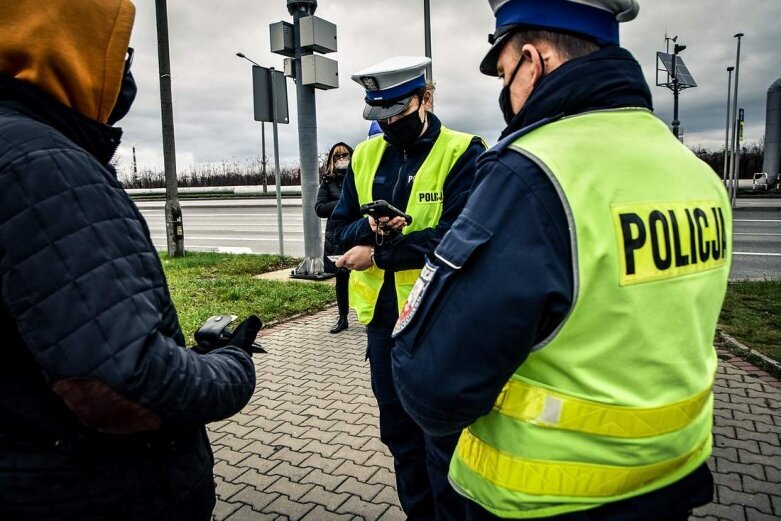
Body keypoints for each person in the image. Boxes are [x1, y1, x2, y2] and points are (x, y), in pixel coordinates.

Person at [392, 1, 732, 520]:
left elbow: (435, 386)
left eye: (505, 74)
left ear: (536, 60)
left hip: (545, 496)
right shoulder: (696, 174)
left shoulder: (531, 172)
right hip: (671, 480)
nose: (505, 94)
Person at [0, 1, 258, 519]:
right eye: (120, 50)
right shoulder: (42, 162)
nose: (125, 68)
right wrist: (233, 366)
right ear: (70, 48)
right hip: (97, 490)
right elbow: (122, 385)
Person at [332, 56, 486, 520]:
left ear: (424, 97)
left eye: (397, 113)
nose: (388, 125)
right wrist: (372, 227)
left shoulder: (464, 152)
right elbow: (338, 233)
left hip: (441, 316)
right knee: (399, 434)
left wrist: (382, 253)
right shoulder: (364, 156)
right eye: (379, 117)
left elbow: (462, 237)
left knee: (443, 438)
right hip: (384, 321)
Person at [316, 142, 354, 333]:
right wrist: (342, 204)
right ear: (332, 159)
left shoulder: (359, 176)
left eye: (345, 155)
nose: (342, 159)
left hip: (358, 233)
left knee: (367, 276)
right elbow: (320, 208)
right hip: (337, 236)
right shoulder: (327, 181)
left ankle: (372, 316)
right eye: (337, 156)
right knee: (341, 278)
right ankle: (343, 317)